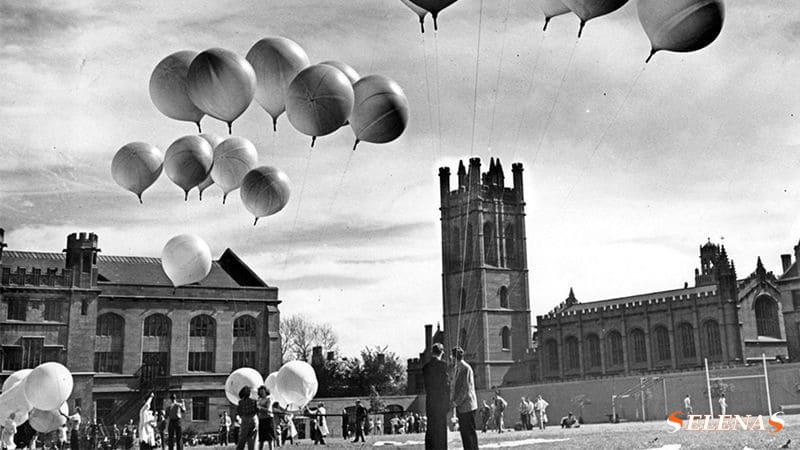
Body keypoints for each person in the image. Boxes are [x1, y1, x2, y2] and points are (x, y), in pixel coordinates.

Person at [421, 343, 449, 450]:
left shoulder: (426, 368)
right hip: (441, 403)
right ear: (442, 352)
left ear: (432, 352)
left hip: (430, 402)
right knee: (440, 429)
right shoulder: (443, 366)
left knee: (431, 428)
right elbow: (446, 386)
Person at [450, 347, 478, 450]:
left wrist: (456, 402)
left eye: (451, 356)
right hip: (463, 407)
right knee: (465, 435)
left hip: (467, 406)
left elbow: (465, 389)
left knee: (469, 434)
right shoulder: (458, 368)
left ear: (454, 357)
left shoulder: (465, 368)